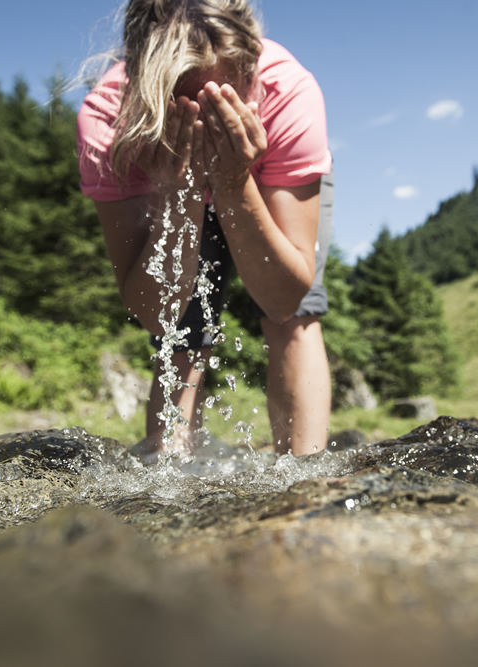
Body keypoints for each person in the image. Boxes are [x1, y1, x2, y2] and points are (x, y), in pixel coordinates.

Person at [77, 0, 333, 458]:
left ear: (250, 67)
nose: (204, 123)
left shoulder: (287, 93)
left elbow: (283, 299)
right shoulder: (110, 122)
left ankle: (307, 481)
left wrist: (234, 185)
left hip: (261, 175)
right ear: (146, 85)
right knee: (180, 339)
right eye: (186, 105)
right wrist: (180, 192)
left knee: (295, 322)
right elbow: (159, 316)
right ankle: (168, 484)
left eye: (222, 101)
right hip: (164, 179)